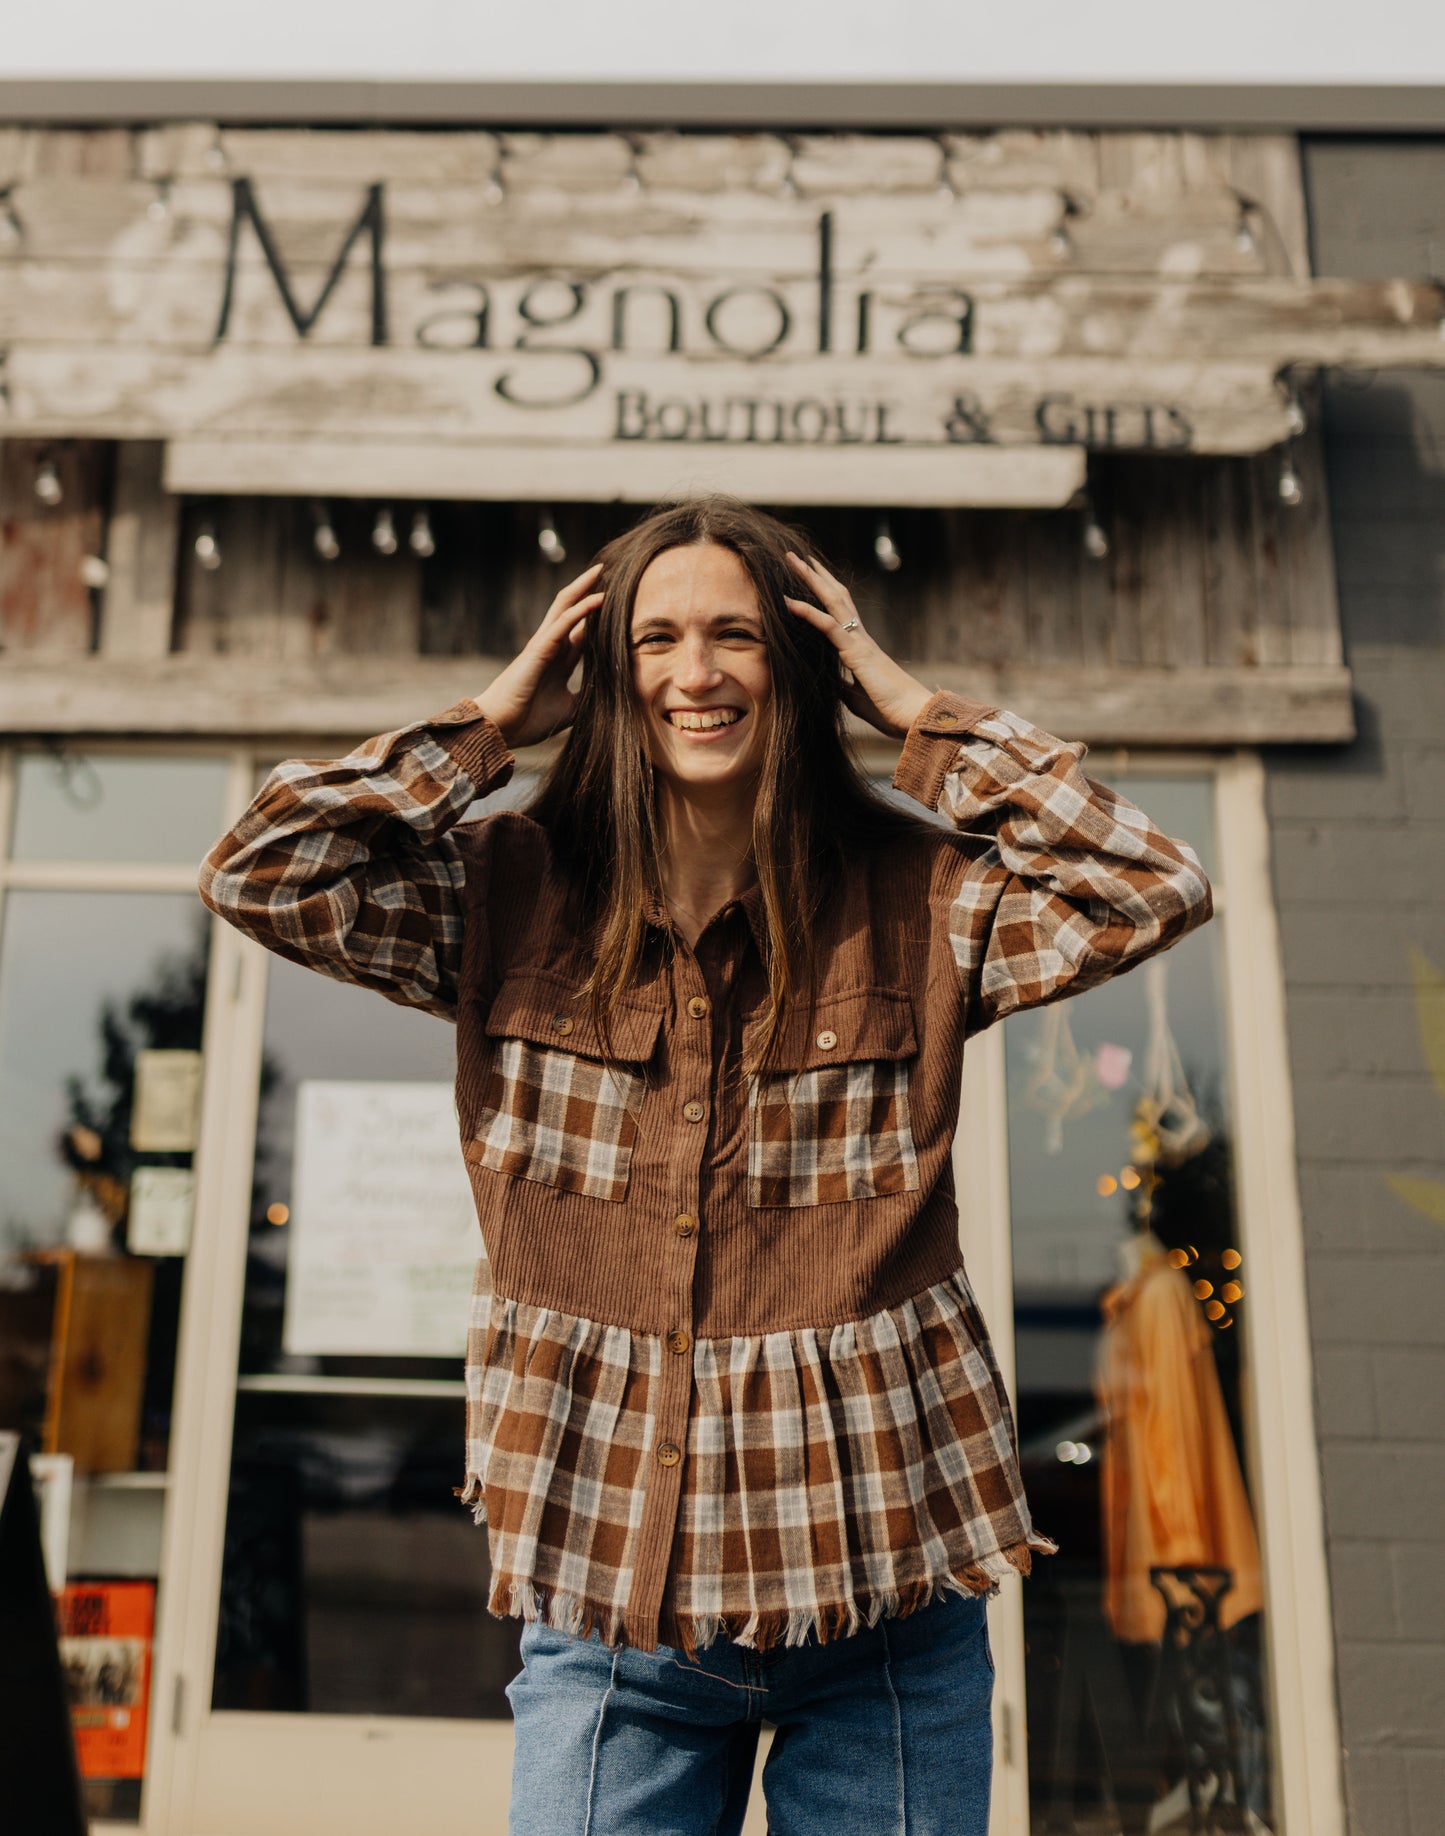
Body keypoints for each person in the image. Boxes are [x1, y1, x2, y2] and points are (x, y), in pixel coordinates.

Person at [199, 495, 1213, 1835]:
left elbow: (1150, 884)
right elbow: (262, 870)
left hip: (882, 1610)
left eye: (736, 634)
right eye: (656, 638)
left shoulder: (920, 898)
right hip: (615, 1616)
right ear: (603, 668)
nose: (696, 672)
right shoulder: (503, 893)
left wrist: (916, 715)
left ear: (796, 664)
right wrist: (488, 728)